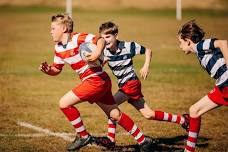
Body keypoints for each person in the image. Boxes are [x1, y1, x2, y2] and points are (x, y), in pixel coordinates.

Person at [39, 13, 153, 152]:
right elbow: (56, 69)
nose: (50, 31)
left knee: (64, 103)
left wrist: (96, 53)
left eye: (53, 28)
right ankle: (143, 141)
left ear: (63, 28)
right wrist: (48, 70)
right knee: (115, 114)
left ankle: (83, 136)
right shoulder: (58, 48)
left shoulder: (78, 38)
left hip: (94, 80)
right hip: (100, 81)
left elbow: (100, 40)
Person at [93, 21, 189, 148]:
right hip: (124, 86)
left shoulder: (128, 46)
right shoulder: (104, 51)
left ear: (116, 35)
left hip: (132, 83)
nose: (105, 40)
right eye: (103, 37)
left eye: (108, 36)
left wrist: (145, 66)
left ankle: (111, 139)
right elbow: (101, 62)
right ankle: (183, 120)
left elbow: (148, 51)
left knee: (111, 108)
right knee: (148, 114)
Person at [178, 20, 228, 152]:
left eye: (181, 42)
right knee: (194, 111)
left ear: (188, 40)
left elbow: (223, 43)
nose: (180, 46)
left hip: (226, 84)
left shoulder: (200, 45)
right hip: (222, 87)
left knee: (194, 110)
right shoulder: (199, 50)